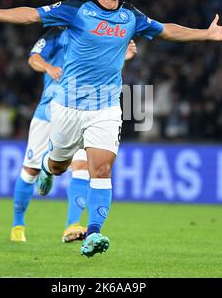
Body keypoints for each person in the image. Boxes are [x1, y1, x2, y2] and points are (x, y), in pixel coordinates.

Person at [0, 0, 222, 257]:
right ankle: (49, 168)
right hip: (66, 106)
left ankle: (93, 234)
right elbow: (30, 14)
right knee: (59, 164)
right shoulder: (76, 10)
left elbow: (167, 29)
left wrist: (206, 34)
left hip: (105, 108)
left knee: (101, 169)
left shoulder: (131, 16)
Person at [11, 23, 137, 243]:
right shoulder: (57, 34)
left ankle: (71, 225)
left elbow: (102, 68)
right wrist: (49, 67)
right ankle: (18, 224)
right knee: (30, 170)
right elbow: (33, 58)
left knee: (81, 167)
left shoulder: (97, 36)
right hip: (49, 111)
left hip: (82, 111)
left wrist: (122, 57)